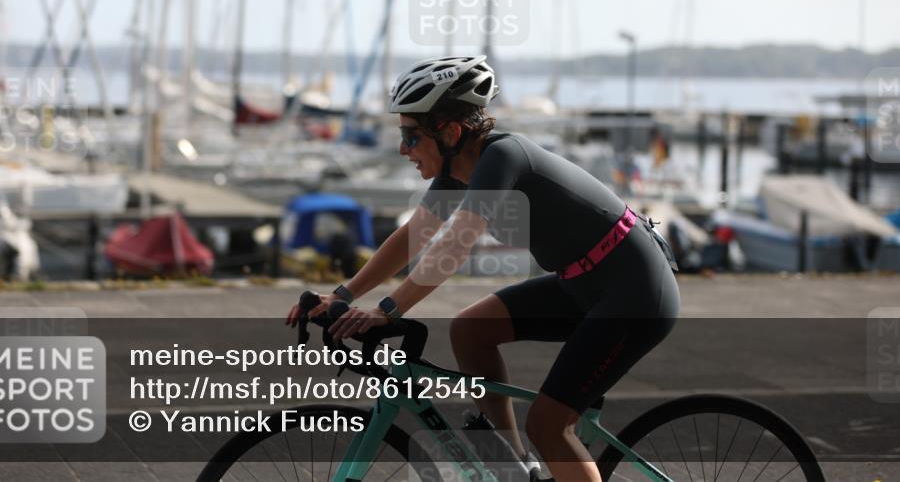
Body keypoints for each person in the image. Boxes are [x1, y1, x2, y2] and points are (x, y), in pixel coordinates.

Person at [286, 55, 680, 482]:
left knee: (548, 425)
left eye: (410, 136)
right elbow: (413, 236)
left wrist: (388, 310)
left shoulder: (503, 157)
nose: (403, 149)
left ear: (451, 132)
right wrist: (342, 296)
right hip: (584, 283)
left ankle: (535, 452)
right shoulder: (458, 170)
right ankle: (514, 466)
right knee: (470, 330)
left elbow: (454, 245)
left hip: (634, 292)